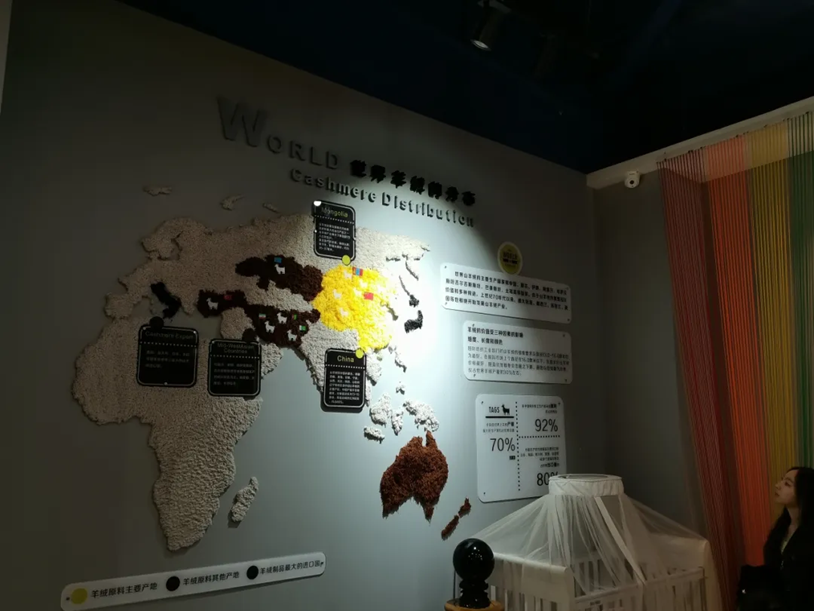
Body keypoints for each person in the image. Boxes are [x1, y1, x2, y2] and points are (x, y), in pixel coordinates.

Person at [740, 467, 814, 611]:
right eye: (781, 480)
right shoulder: (781, 528)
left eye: (787, 484)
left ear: (804, 492)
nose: (777, 485)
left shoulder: (810, 535)